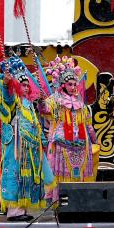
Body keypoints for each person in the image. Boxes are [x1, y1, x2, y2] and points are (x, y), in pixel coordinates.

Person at [0, 57, 55, 222]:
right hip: (17, 147)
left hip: (30, 148)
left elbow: (35, 124)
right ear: (16, 85)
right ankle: (14, 211)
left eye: (28, 85)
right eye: (23, 84)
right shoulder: (13, 101)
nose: (27, 87)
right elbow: (7, 100)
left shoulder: (28, 104)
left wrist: (42, 142)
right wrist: (6, 84)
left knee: (28, 178)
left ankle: (22, 209)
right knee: (16, 176)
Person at [42, 56, 96, 199]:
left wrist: (94, 139)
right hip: (62, 146)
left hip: (81, 145)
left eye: (74, 84)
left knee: (79, 175)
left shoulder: (80, 101)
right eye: (69, 84)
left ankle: (78, 199)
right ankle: (59, 200)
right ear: (63, 85)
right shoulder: (55, 99)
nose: (72, 87)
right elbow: (45, 110)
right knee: (62, 176)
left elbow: (87, 122)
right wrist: (41, 102)